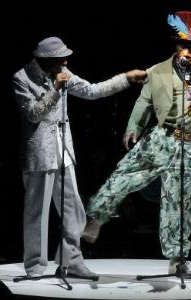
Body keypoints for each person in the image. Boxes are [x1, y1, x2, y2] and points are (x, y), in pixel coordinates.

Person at [82, 11, 191, 272]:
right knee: (123, 174)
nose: (188, 52)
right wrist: (133, 127)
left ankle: (178, 258)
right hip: (161, 138)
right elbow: (144, 101)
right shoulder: (157, 71)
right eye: (184, 46)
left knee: (181, 203)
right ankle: (96, 216)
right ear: (176, 45)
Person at [12, 36, 147, 278]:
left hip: (63, 151)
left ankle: (70, 261)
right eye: (60, 59)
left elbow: (92, 91)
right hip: (39, 155)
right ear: (46, 60)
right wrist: (54, 90)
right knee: (36, 213)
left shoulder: (62, 71)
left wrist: (126, 78)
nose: (65, 61)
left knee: (74, 210)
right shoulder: (22, 78)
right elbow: (32, 115)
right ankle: (34, 266)